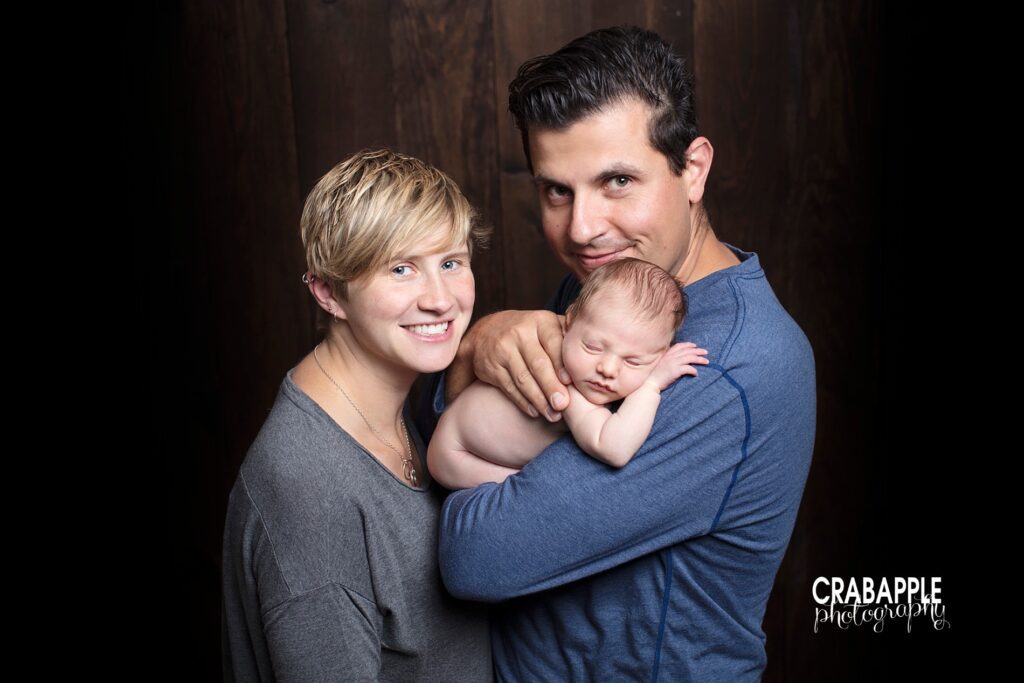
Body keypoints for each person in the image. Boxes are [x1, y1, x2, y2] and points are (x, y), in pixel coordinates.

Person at [428, 27, 817, 680]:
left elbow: (474, 555)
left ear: (692, 168)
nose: (581, 228)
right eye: (557, 190)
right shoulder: (618, 287)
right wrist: (473, 350)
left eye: (616, 180)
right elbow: (451, 437)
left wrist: (469, 462)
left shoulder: (728, 368)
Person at [222, 149, 493, 681]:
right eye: (400, 268)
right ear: (329, 292)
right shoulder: (309, 489)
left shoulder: (390, 405)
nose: (439, 299)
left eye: (450, 262)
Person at [428, 258, 709, 488]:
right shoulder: (570, 388)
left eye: (634, 362)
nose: (607, 369)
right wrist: (651, 385)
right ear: (569, 320)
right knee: (532, 490)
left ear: (660, 355)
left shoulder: (589, 362)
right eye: (593, 346)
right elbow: (614, 447)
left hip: (459, 434)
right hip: (454, 453)